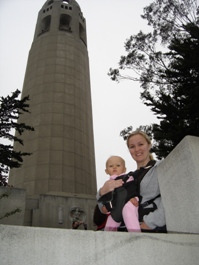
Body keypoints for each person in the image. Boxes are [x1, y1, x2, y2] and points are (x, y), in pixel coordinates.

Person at [97, 130, 166, 232]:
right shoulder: (127, 177)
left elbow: (173, 197)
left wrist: (150, 222)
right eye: (132, 146)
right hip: (122, 229)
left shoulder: (161, 167)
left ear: (149, 145)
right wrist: (102, 192)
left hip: (148, 229)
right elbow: (102, 207)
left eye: (141, 144)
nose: (137, 149)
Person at [100, 155, 140, 232]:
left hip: (128, 201)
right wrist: (106, 206)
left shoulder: (127, 177)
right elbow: (108, 198)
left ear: (124, 169)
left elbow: (131, 187)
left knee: (129, 212)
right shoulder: (108, 185)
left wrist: (132, 197)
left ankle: (136, 235)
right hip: (116, 209)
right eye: (111, 166)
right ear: (106, 171)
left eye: (118, 165)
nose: (114, 167)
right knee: (110, 224)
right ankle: (108, 240)